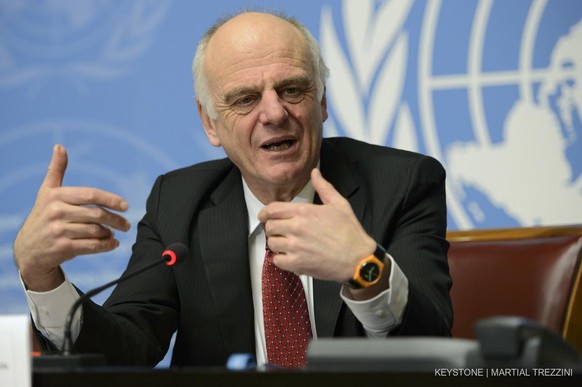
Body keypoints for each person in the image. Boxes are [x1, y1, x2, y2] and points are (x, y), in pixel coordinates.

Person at [14, 11, 452, 368]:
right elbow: (126, 349)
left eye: (293, 89)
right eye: (245, 99)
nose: (274, 113)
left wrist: (364, 267)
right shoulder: (178, 203)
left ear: (321, 101)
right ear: (210, 123)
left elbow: (432, 344)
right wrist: (42, 276)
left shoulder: (403, 182)